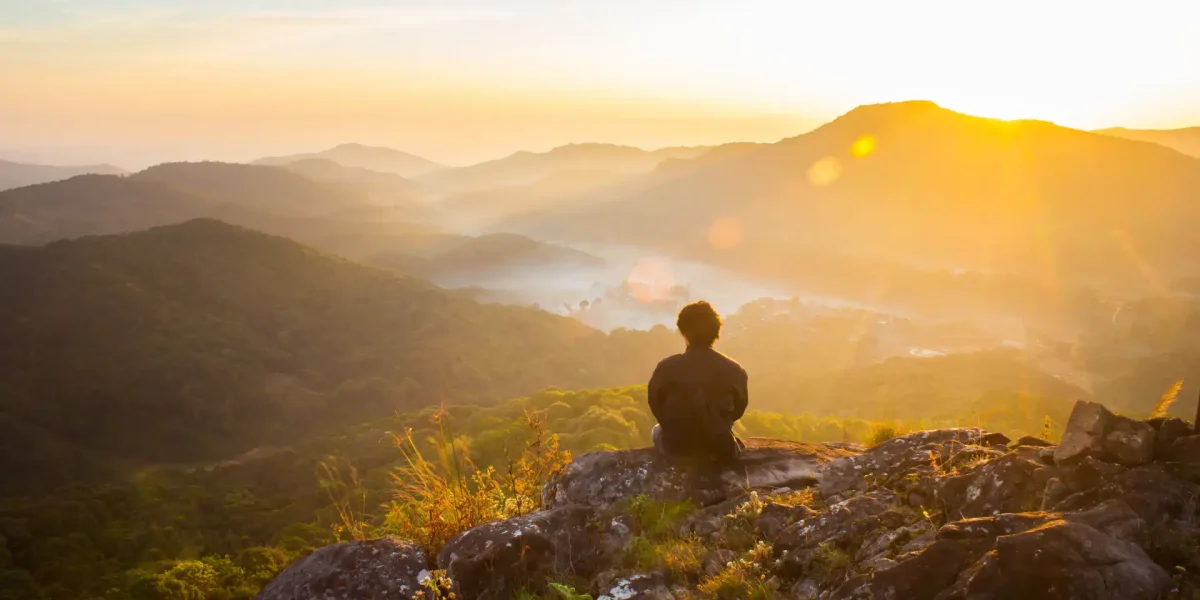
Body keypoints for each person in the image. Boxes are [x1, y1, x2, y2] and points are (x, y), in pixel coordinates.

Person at [648, 301, 748, 462]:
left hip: (676, 445)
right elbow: (738, 410)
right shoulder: (735, 370)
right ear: (716, 333)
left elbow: (655, 405)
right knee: (727, 428)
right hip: (719, 445)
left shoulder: (665, 368)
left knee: (655, 431)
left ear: (684, 333)